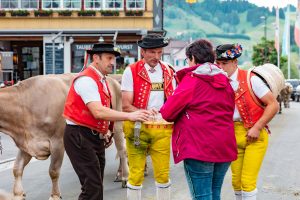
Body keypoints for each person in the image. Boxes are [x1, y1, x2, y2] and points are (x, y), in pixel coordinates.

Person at [63, 43, 150, 200]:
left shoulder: (100, 79)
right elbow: (98, 111)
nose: (112, 62)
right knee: (92, 187)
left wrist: (106, 130)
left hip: (91, 136)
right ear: (96, 58)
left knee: (95, 186)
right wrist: (130, 116)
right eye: (109, 58)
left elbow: (101, 110)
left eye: (114, 59)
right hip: (79, 136)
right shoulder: (86, 80)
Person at [160, 39, 237, 200]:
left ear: (193, 58)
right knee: (214, 193)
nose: (188, 63)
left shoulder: (193, 80)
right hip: (224, 145)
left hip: (198, 147)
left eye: (188, 60)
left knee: (202, 197)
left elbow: (167, 112)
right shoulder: (225, 81)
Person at [215, 44, 279, 200]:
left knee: (247, 181)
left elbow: (273, 105)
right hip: (232, 135)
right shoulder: (218, 82)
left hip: (255, 136)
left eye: (225, 63)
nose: (221, 67)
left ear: (235, 62)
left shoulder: (252, 79)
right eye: (219, 63)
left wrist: (257, 127)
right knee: (236, 182)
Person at [121, 33, 176, 200]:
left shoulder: (168, 70)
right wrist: (143, 112)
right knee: (136, 174)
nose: (156, 57)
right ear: (143, 52)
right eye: (152, 52)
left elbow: (173, 99)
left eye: (159, 52)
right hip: (138, 128)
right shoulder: (131, 71)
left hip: (162, 128)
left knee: (163, 174)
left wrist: (165, 112)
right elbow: (125, 105)